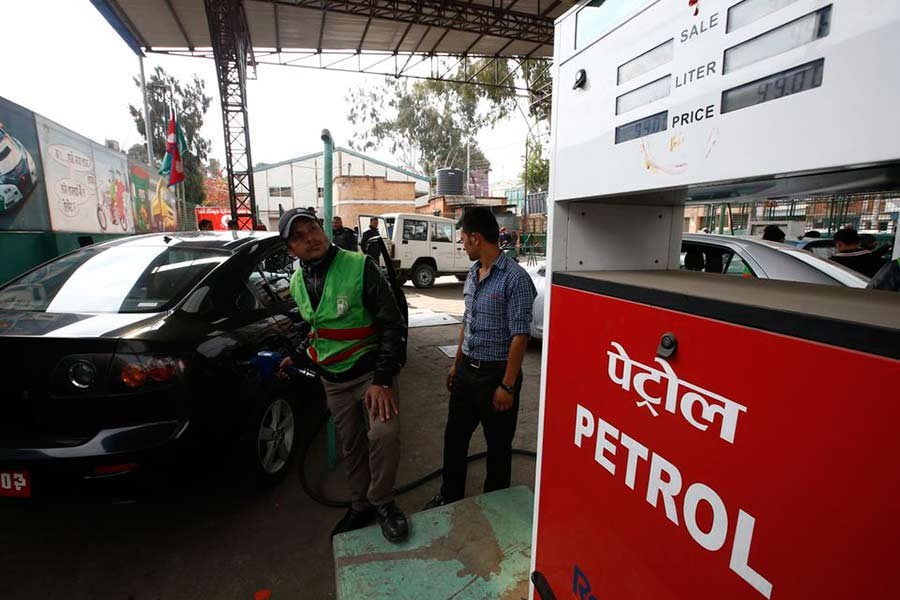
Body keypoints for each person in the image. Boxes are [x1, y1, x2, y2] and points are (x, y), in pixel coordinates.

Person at [276, 208, 409, 543]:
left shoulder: (360, 266)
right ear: (290, 249)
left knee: (383, 434)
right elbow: (315, 326)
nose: (310, 239)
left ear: (323, 228)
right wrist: (292, 356)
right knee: (351, 444)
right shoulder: (296, 282)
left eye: (313, 229)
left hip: (371, 373)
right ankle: (360, 504)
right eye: (299, 237)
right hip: (332, 380)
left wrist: (382, 380)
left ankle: (383, 503)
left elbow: (393, 324)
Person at [423, 207, 537, 511]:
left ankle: (496, 506)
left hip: (496, 376)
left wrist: (507, 386)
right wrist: (456, 363)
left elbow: (520, 337)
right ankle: (450, 496)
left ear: (475, 238)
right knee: (454, 439)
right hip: (466, 373)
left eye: (463, 239)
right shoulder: (473, 274)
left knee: (498, 447)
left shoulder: (516, 279)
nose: (462, 246)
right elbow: (467, 322)